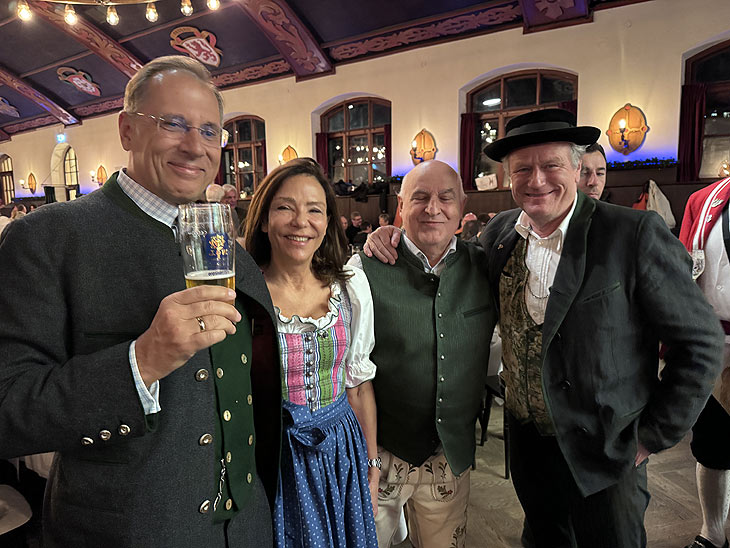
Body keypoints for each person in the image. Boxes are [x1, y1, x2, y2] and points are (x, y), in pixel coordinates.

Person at [364, 110, 723, 548]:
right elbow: (444, 264)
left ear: (577, 168)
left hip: (607, 451)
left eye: (551, 165)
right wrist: (388, 237)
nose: (537, 180)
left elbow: (701, 342)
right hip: (529, 447)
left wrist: (652, 435)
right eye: (523, 169)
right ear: (508, 178)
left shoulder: (631, 233)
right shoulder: (499, 237)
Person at [0, 55, 281, 547]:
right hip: (125, 532)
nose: (195, 146)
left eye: (210, 131)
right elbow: (8, 412)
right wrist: (141, 361)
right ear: (127, 130)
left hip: (247, 528)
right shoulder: (46, 240)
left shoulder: (230, 251)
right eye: (173, 124)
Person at [350, 160, 497, 548]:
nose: (433, 208)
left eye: (445, 197)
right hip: (381, 456)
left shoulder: (486, 265)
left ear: (462, 204)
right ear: (401, 206)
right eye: (420, 197)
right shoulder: (363, 269)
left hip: (447, 459)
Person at [243, 158, 379, 548]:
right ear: (265, 220)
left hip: (340, 452)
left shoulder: (349, 288)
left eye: (314, 210)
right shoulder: (243, 295)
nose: (301, 221)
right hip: (272, 455)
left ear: (327, 222)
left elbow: (359, 386)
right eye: (285, 207)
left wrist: (371, 466)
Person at [679, 177, 730, 548]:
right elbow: (683, 270)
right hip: (714, 343)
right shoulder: (703, 200)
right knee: (713, 444)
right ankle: (712, 532)